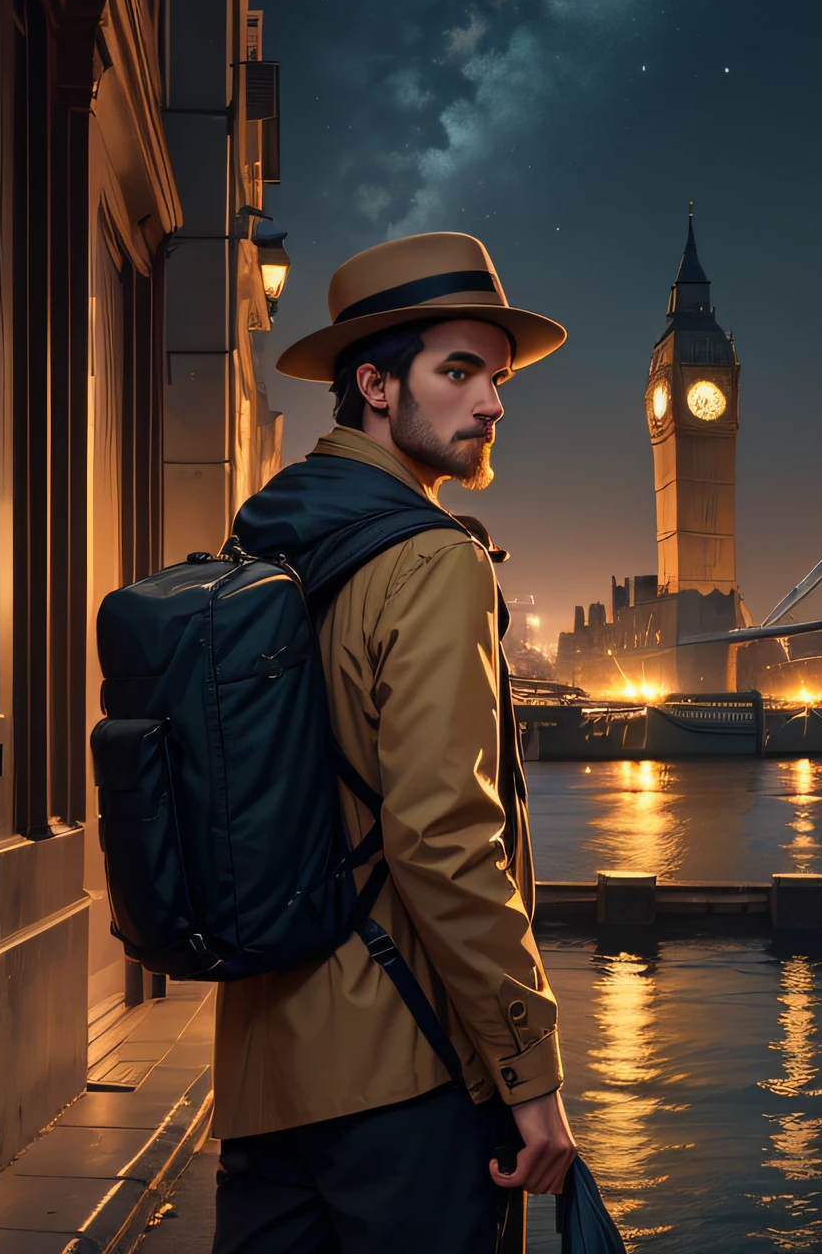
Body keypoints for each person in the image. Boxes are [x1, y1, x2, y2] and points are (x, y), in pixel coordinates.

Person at [210, 232, 577, 1252]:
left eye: (496, 378)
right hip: (407, 1072)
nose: (491, 403)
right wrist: (529, 1075)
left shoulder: (265, 544)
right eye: (457, 372)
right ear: (374, 384)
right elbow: (445, 837)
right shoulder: (431, 561)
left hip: (261, 1074)